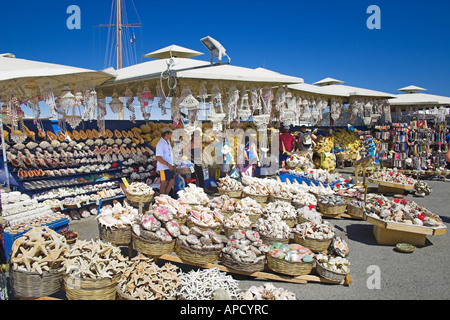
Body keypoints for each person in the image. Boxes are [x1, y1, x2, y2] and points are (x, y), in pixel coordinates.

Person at [155, 127, 175, 195]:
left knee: (171, 181)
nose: (171, 135)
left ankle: (166, 196)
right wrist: (168, 164)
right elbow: (158, 157)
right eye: (170, 133)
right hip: (162, 168)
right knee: (164, 182)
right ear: (167, 134)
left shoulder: (168, 142)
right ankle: (162, 197)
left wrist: (172, 163)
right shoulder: (160, 144)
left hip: (169, 166)